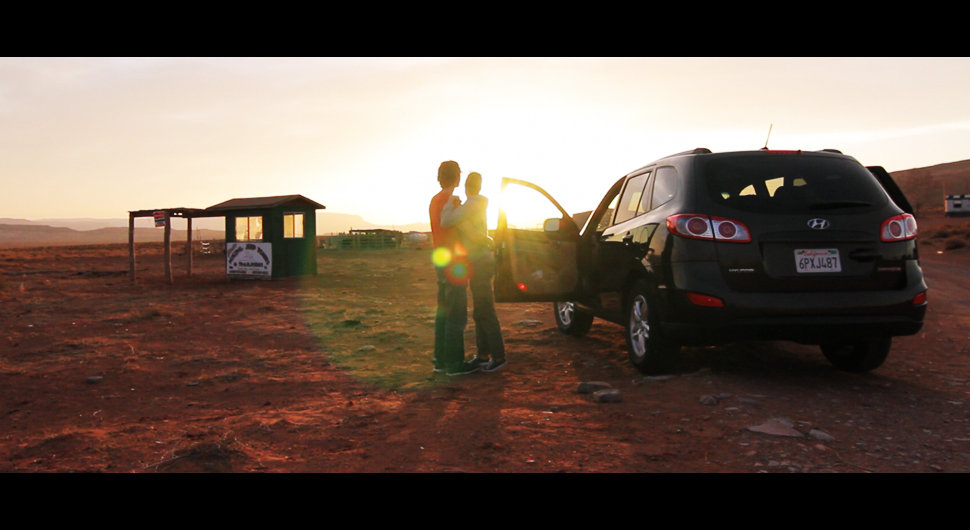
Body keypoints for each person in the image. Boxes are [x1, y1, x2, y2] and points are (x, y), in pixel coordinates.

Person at [441, 171, 507, 372]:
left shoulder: (471, 204)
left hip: (479, 260)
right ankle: (484, 355)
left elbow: (445, 221)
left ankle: (498, 356)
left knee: (485, 308)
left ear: (467, 187)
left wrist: (450, 206)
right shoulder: (477, 204)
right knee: (481, 309)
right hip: (481, 259)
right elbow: (472, 231)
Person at [429, 161, 480, 376]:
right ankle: (455, 363)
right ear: (458, 176)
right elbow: (464, 230)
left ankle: (440, 360)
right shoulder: (453, 202)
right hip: (455, 262)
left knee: (443, 312)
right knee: (456, 312)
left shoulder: (435, 200)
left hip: (440, 259)